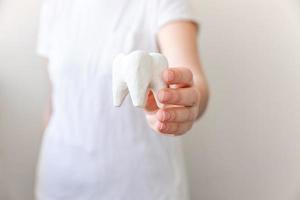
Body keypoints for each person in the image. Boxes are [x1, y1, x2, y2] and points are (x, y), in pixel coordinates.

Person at [35, 0, 209, 199]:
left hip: (142, 185)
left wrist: (184, 102)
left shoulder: (161, 3)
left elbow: (194, 80)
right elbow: (56, 94)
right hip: (60, 180)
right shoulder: (54, 5)